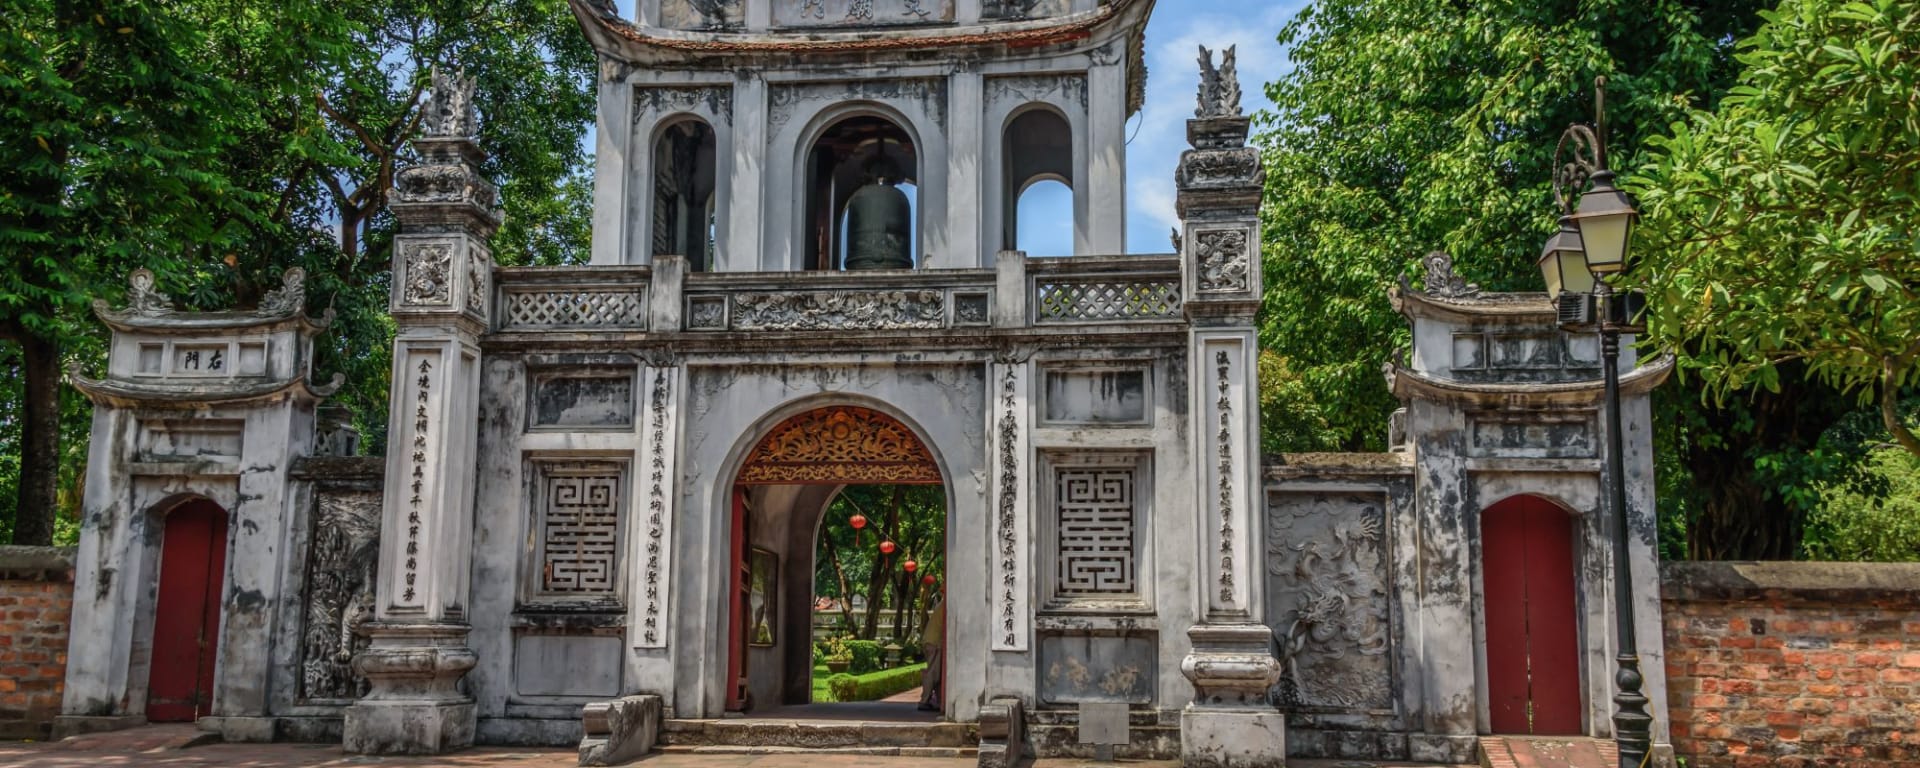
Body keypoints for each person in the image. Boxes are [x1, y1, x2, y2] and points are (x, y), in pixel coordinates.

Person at [918, 585, 945, 712]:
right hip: (935, 642)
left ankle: (940, 702)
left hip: (931, 641)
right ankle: (924, 700)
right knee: (933, 674)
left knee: (938, 674)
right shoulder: (945, 605)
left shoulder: (942, 604)